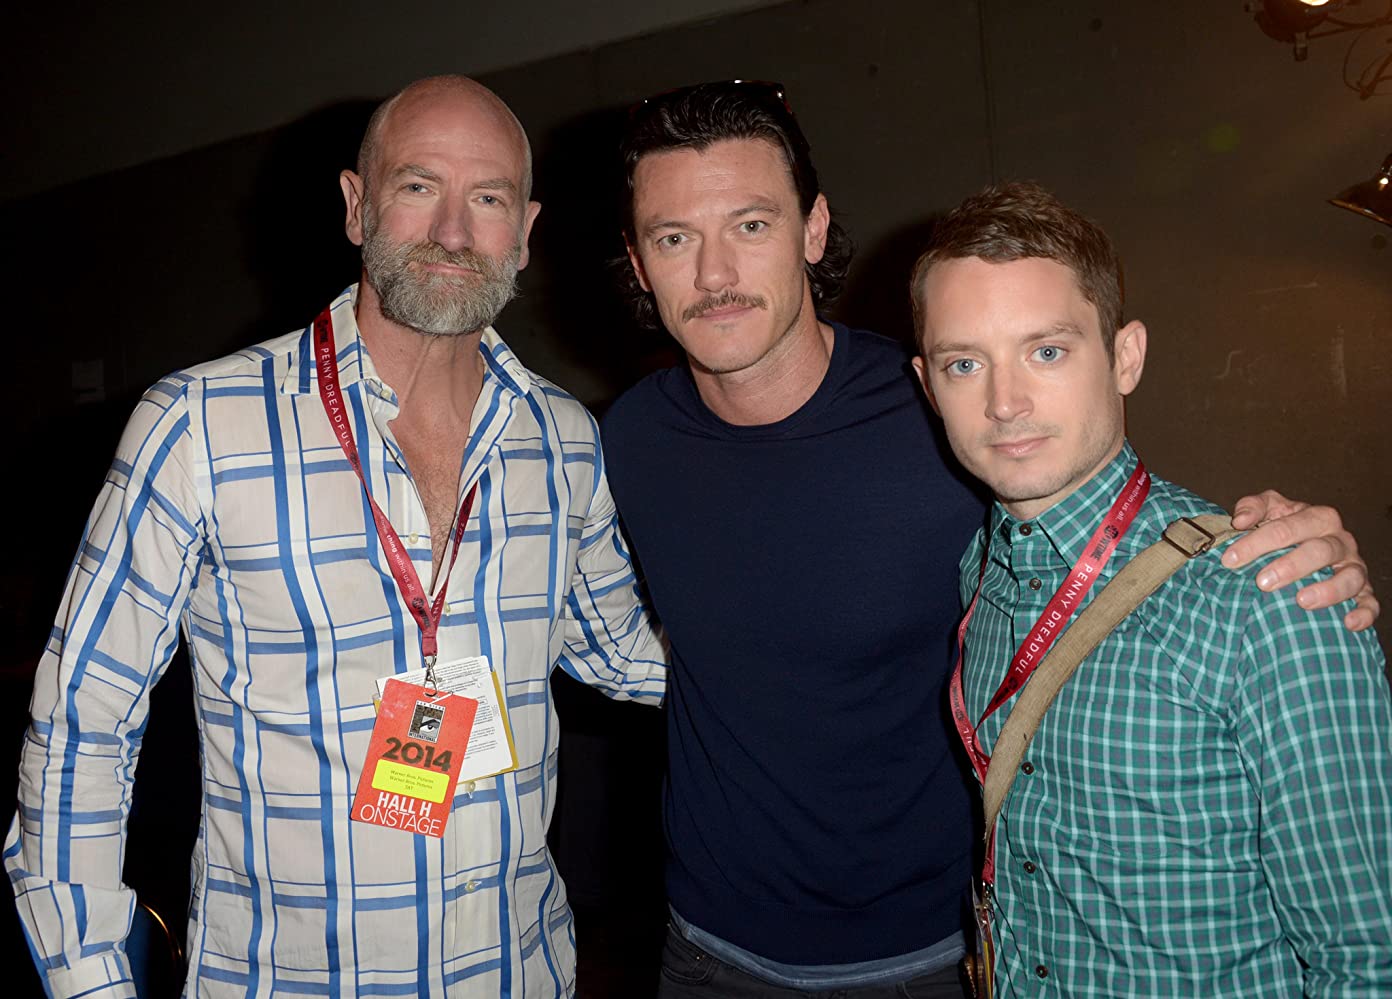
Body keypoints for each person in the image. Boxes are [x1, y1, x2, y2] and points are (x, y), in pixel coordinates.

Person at [599, 81, 1379, 998]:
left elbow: (1103, 505)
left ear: (812, 230)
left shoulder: (941, 415)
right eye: (674, 238)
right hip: (708, 949)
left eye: (751, 224)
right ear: (638, 263)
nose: (715, 273)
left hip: (931, 956)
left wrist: (1286, 548)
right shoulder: (626, 440)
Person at [7, 75, 665, 998]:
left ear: (524, 230)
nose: (453, 231)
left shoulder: (562, 438)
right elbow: (83, 723)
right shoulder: (199, 425)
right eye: (418, 186)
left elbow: (625, 653)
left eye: (488, 198)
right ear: (357, 206)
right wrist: (91, 979)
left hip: (520, 971)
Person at [910, 180, 1392, 995]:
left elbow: (1369, 959)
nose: (1004, 402)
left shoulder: (1268, 594)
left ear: (1125, 356)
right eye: (965, 364)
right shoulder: (981, 570)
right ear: (929, 386)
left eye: (1047, 351)